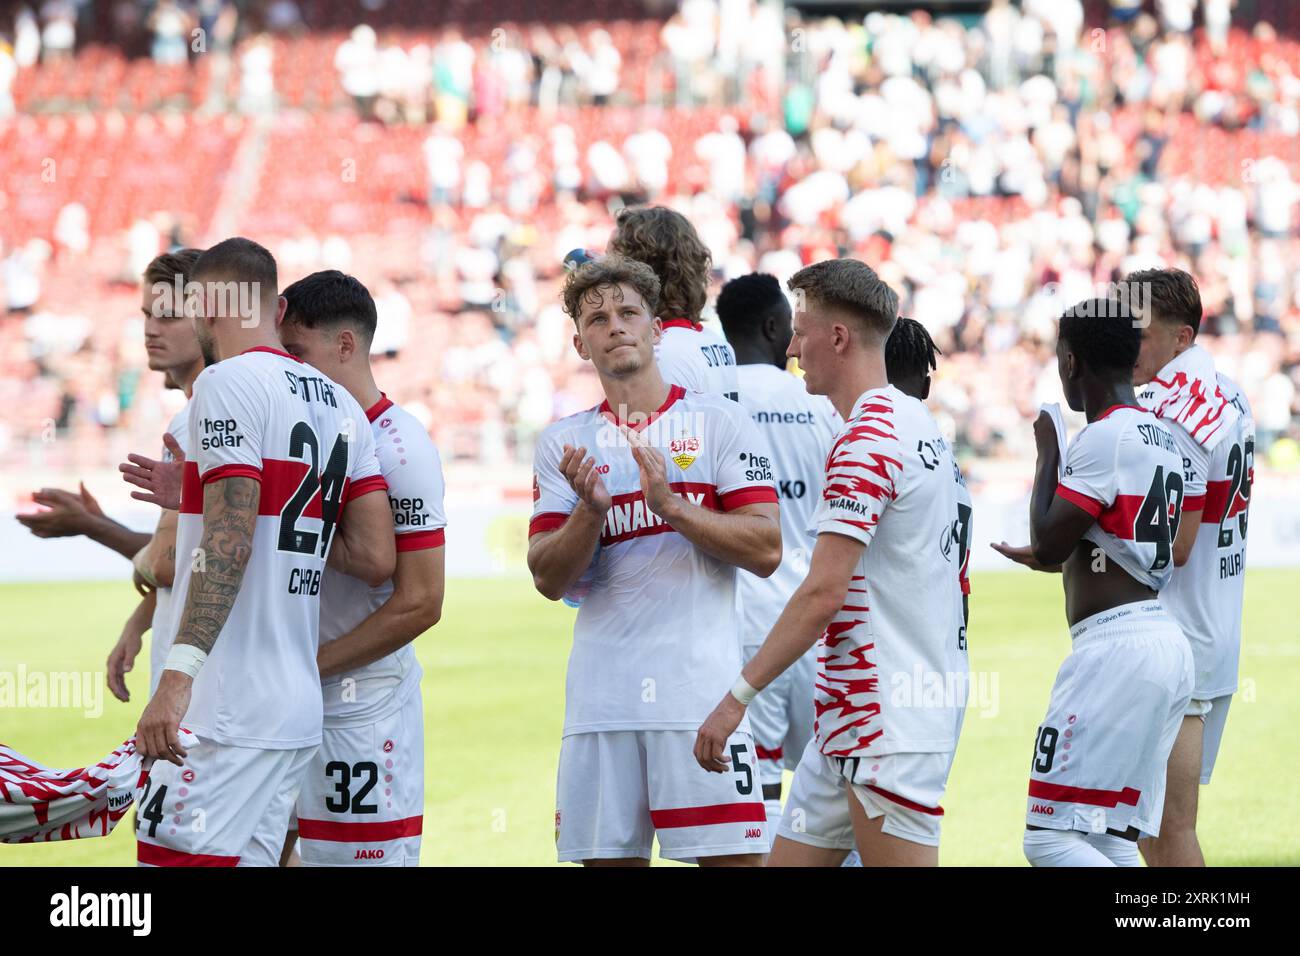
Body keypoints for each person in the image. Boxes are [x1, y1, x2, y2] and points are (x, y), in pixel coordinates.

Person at [128, 238, 396, 866]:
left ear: (205, 303)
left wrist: (175, 679)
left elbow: (228, 543)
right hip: (295, 709)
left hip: (223, 707)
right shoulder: (345, 409)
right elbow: (376, 555)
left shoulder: (222, 385)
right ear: (273, 306)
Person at [696, 259, 968, 867]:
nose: (791, 349)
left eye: (801, 332)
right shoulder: (917, 422)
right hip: (850, 716)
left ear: (838, 337)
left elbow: (822, 592)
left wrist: (736, 696)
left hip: (886, 714)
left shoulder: (868, 437)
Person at [528, 255, 780, 866]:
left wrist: (672, 506)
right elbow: (546, 576)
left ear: (656, 329)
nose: (614, 326)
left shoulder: (720, 423)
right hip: (601, 705)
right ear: (580, 342)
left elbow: (767, 548)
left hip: (698, 699)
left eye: (627, 312)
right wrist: (589, 513)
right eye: (597, 318)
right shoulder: (563, 443)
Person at [993, 296, 1194, 867]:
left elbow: (1053, 539)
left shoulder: (1103, 437)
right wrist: (1052, 554)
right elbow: (1088, 544)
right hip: (1156, 638)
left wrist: (1047, 450)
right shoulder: (1161, 438)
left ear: (1072, 362)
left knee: (1049, 838)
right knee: (1108, 837)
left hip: (1116, 649)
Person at [276, 271, 446, 867]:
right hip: (291, 696)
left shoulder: (400, 446)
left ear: (345, 346)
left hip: (361, 707)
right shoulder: (307, 437)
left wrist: (309, 668)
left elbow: (422, 601)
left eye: (296, 353)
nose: (286, 369)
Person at [19, 249, 206, 700]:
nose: (149, 328)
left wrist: (93, 527)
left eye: (167, 315)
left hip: (203, 691)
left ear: (210, 320)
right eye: (145, 314)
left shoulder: (198, 419)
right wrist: (143, 615)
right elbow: (188, 556)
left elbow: (166, 563)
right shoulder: (204, 412)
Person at [1129, 268, 1254, 867]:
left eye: (1140, 332)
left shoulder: (1171, 405)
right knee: (1153, 826)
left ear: (1180, 337)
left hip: (1176, 632)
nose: (1128, 344)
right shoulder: (1230, 391)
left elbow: (1173, 544)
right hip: (1214, 620)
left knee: (1166, 827)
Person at [715, 272, 839, 834]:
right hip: (815, 618)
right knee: (835, 788)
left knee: (756, 795)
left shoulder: (710, 403)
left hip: (742, 622)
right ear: (771, 326)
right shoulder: (820, 404)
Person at [885, 318, 973, 625]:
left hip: (899, 640)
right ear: (926, 386)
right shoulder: (941, 448)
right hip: (947, 628)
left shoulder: (883, 439)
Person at [607, 206, 739, 400]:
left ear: (638, 270)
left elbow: (659, 430)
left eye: (611, 259)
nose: (602, 271)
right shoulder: (712, 341)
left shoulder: (659, 353)